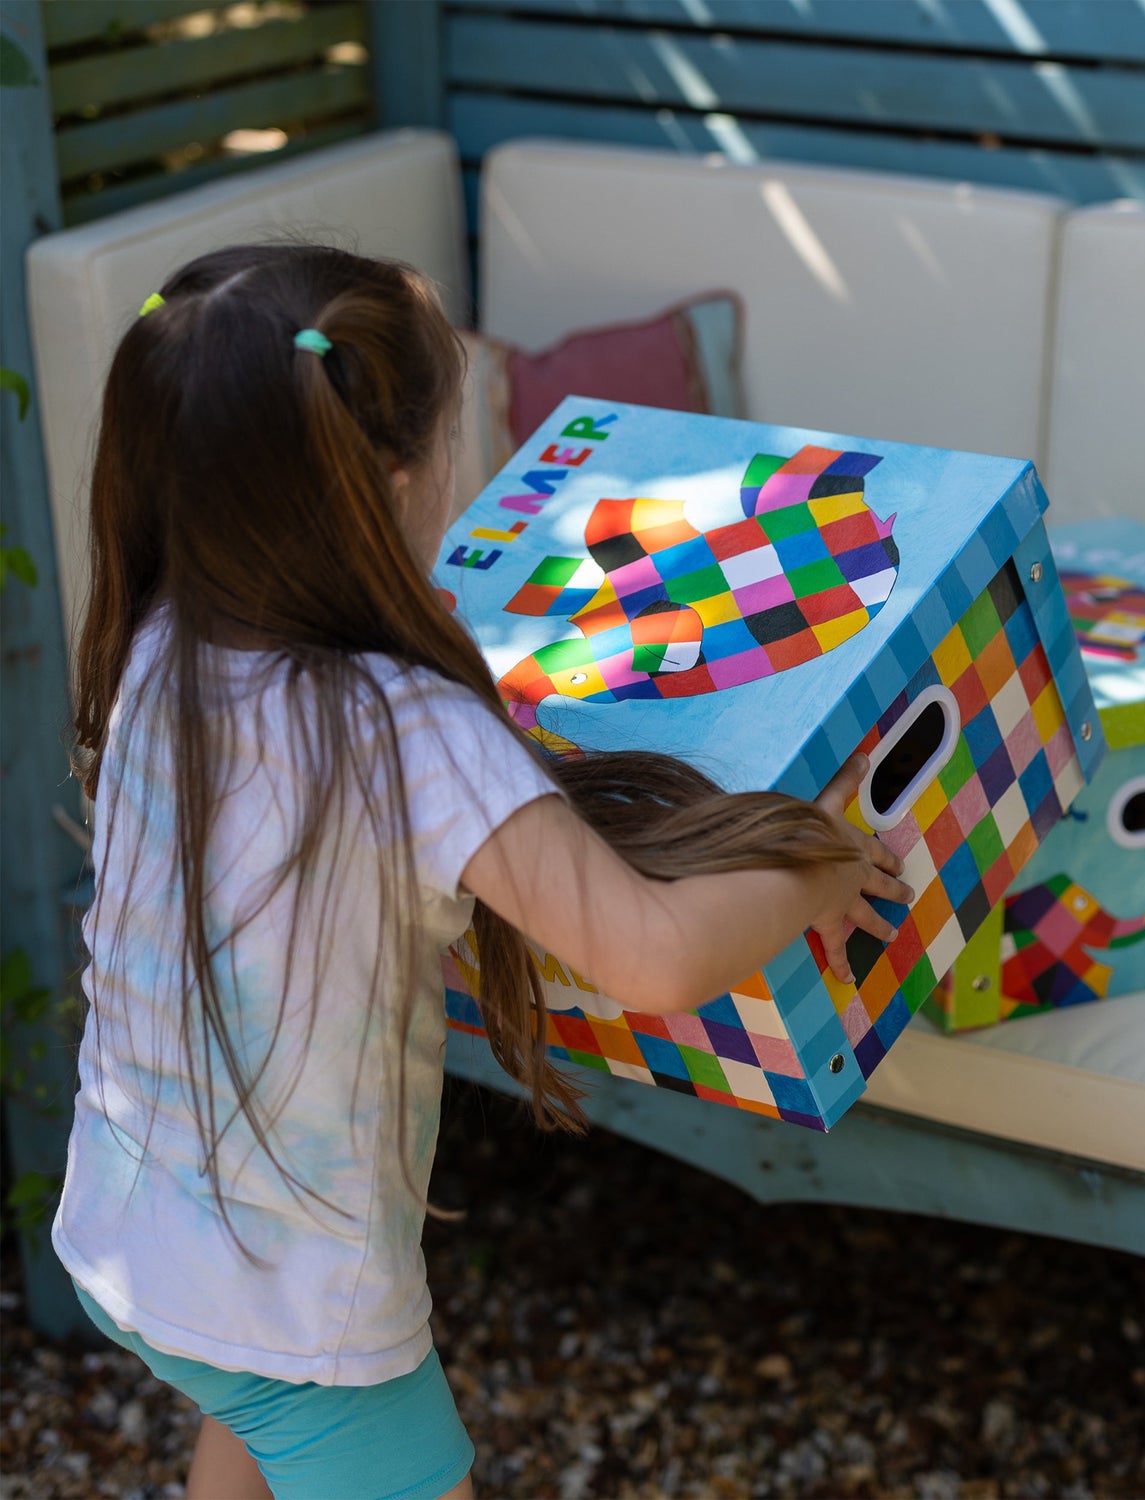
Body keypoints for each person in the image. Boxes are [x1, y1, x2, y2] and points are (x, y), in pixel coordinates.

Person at [54, 244, 910, 1500]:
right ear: (398, 485)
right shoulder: (404, 729)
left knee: (241, 1412)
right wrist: (817, 860)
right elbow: (654, 954)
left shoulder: (160, 648)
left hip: (131, 1233)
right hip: (297, 1311)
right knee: (286, 1412)